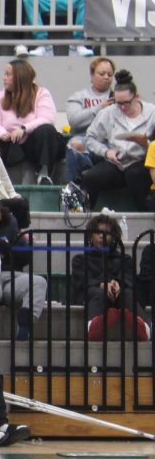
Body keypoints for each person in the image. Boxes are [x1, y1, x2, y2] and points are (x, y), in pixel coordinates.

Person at [80, 70, 155, 207]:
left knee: (135, 175)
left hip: (141, 162)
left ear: (136, 97)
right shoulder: (108, 113)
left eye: (126, 103)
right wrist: (106, 152)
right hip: (116, 162)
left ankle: (145, 215)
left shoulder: (152, 113)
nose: (122, 107)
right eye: (118, 103)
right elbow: (90, 138)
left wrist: (147, 144)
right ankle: (84, 214)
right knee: (90, 178)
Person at [0, 197, 47, 340]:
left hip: (12, 277)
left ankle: (26, 324)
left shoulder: (12, 231)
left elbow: (25, 257)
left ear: (1, 215)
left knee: (39, 281)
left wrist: (4, 245)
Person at [71, 213, 149, 341]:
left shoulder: (124, 258)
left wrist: (117, 283)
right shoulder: (80, 259)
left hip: (119, 295)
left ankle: (145, 328)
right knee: (97, 293)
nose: (102, 235)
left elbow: (129, 278)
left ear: (113, 236)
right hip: (93, 295)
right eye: (97, 232)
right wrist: (102, 284)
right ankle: (93, 327)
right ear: (91, 235)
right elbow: (82, 281)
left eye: (106, 232)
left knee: (128, 293)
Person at [0, 58, 63, 184]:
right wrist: (2, 133)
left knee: (47, 130)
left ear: (19, 77)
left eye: (8, 74)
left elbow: (47, 118)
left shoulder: (41, 93)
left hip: (33, 142)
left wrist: (23, 129)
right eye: (4, 74)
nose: (4, 78)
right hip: (10, 142)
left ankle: (43, 174)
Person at [65, 57, 115, 185]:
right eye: (102, 73)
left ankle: (89, 176)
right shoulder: (78, 97)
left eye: (110, 74)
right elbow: (74, 121)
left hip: (108, 140)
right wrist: (99, 108)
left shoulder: (118, 97)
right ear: (92, 75)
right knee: (74, 144)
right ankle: (76, 187)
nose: (106, 77)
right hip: (84, 138)